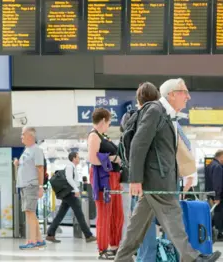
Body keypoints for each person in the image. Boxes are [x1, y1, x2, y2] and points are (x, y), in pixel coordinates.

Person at [115, 78, 221, 262]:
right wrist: (135, 179)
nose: (188, 97)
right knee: (173, 215)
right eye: (184, 92)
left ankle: (122, 258)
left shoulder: (164, 113)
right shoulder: (156, 110)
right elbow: (140, 144)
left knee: (138, 223)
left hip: (159, 177)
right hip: (157, 178)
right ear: (171, 94)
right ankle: (191, 257)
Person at [122, 82, 161, 262]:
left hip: (139, 177)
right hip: (154, 176)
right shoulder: (156, 115)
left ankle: (142, 257)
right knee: (151, 222)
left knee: (139, 223)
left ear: (138, 99)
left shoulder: (131, 117)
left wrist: (135, 178)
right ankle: (147, 257)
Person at [87, 108, 123, 260]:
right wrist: (113, 159)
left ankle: (115, 246)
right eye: (108, 122)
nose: (109, 124)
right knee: (104, 214)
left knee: (116, 214)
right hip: (104, 178)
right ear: (102, 121)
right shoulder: (94, 136)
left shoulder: (103, 136)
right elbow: (93, 159)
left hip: (114, 177)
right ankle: (102, 249)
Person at [46, 152, 96, 243]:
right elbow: (69, 178)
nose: (79, 158)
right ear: (73, 158)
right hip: (71, 194)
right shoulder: (70, 166)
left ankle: (50, 233)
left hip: (68, 194)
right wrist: (76, 189)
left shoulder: (72, 167)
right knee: (80, 215)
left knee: (60, 215)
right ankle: (88, 235)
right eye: (78, 157)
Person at [14, 126, 45, 250]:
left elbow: (40, 168)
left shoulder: (36, 150)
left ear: (30, 136)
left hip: (31, 185)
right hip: (24, 185)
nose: (21, 136)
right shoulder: (27, 150)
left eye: (23, 134)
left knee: (30, 212)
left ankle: (31, 240)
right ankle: (39, 239)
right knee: (30, 212)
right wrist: (18, 163)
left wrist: (41, 187)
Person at [207, 150, 223, 239]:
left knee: (216, 213)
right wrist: (217, 196)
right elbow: (217, 183)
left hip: (211, 194)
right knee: (219, 214)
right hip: (217, 195)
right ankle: (219, 233)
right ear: (221, 156)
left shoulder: (210, 165)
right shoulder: (218, 167)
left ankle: (214, 230)